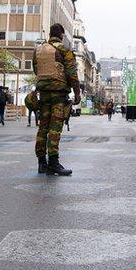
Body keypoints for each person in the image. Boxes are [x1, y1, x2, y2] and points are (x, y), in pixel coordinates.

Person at [33, 23, 81, 176]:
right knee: (55, 128)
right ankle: (53, 163)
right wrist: (77, 93)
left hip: (43, 94)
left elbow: (36, 69)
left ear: (49, 34)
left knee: (43, 127)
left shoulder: (39, 50)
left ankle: (42, 163)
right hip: (58, 95)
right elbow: (72, 74)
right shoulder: (65, 50)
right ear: (61, 35)